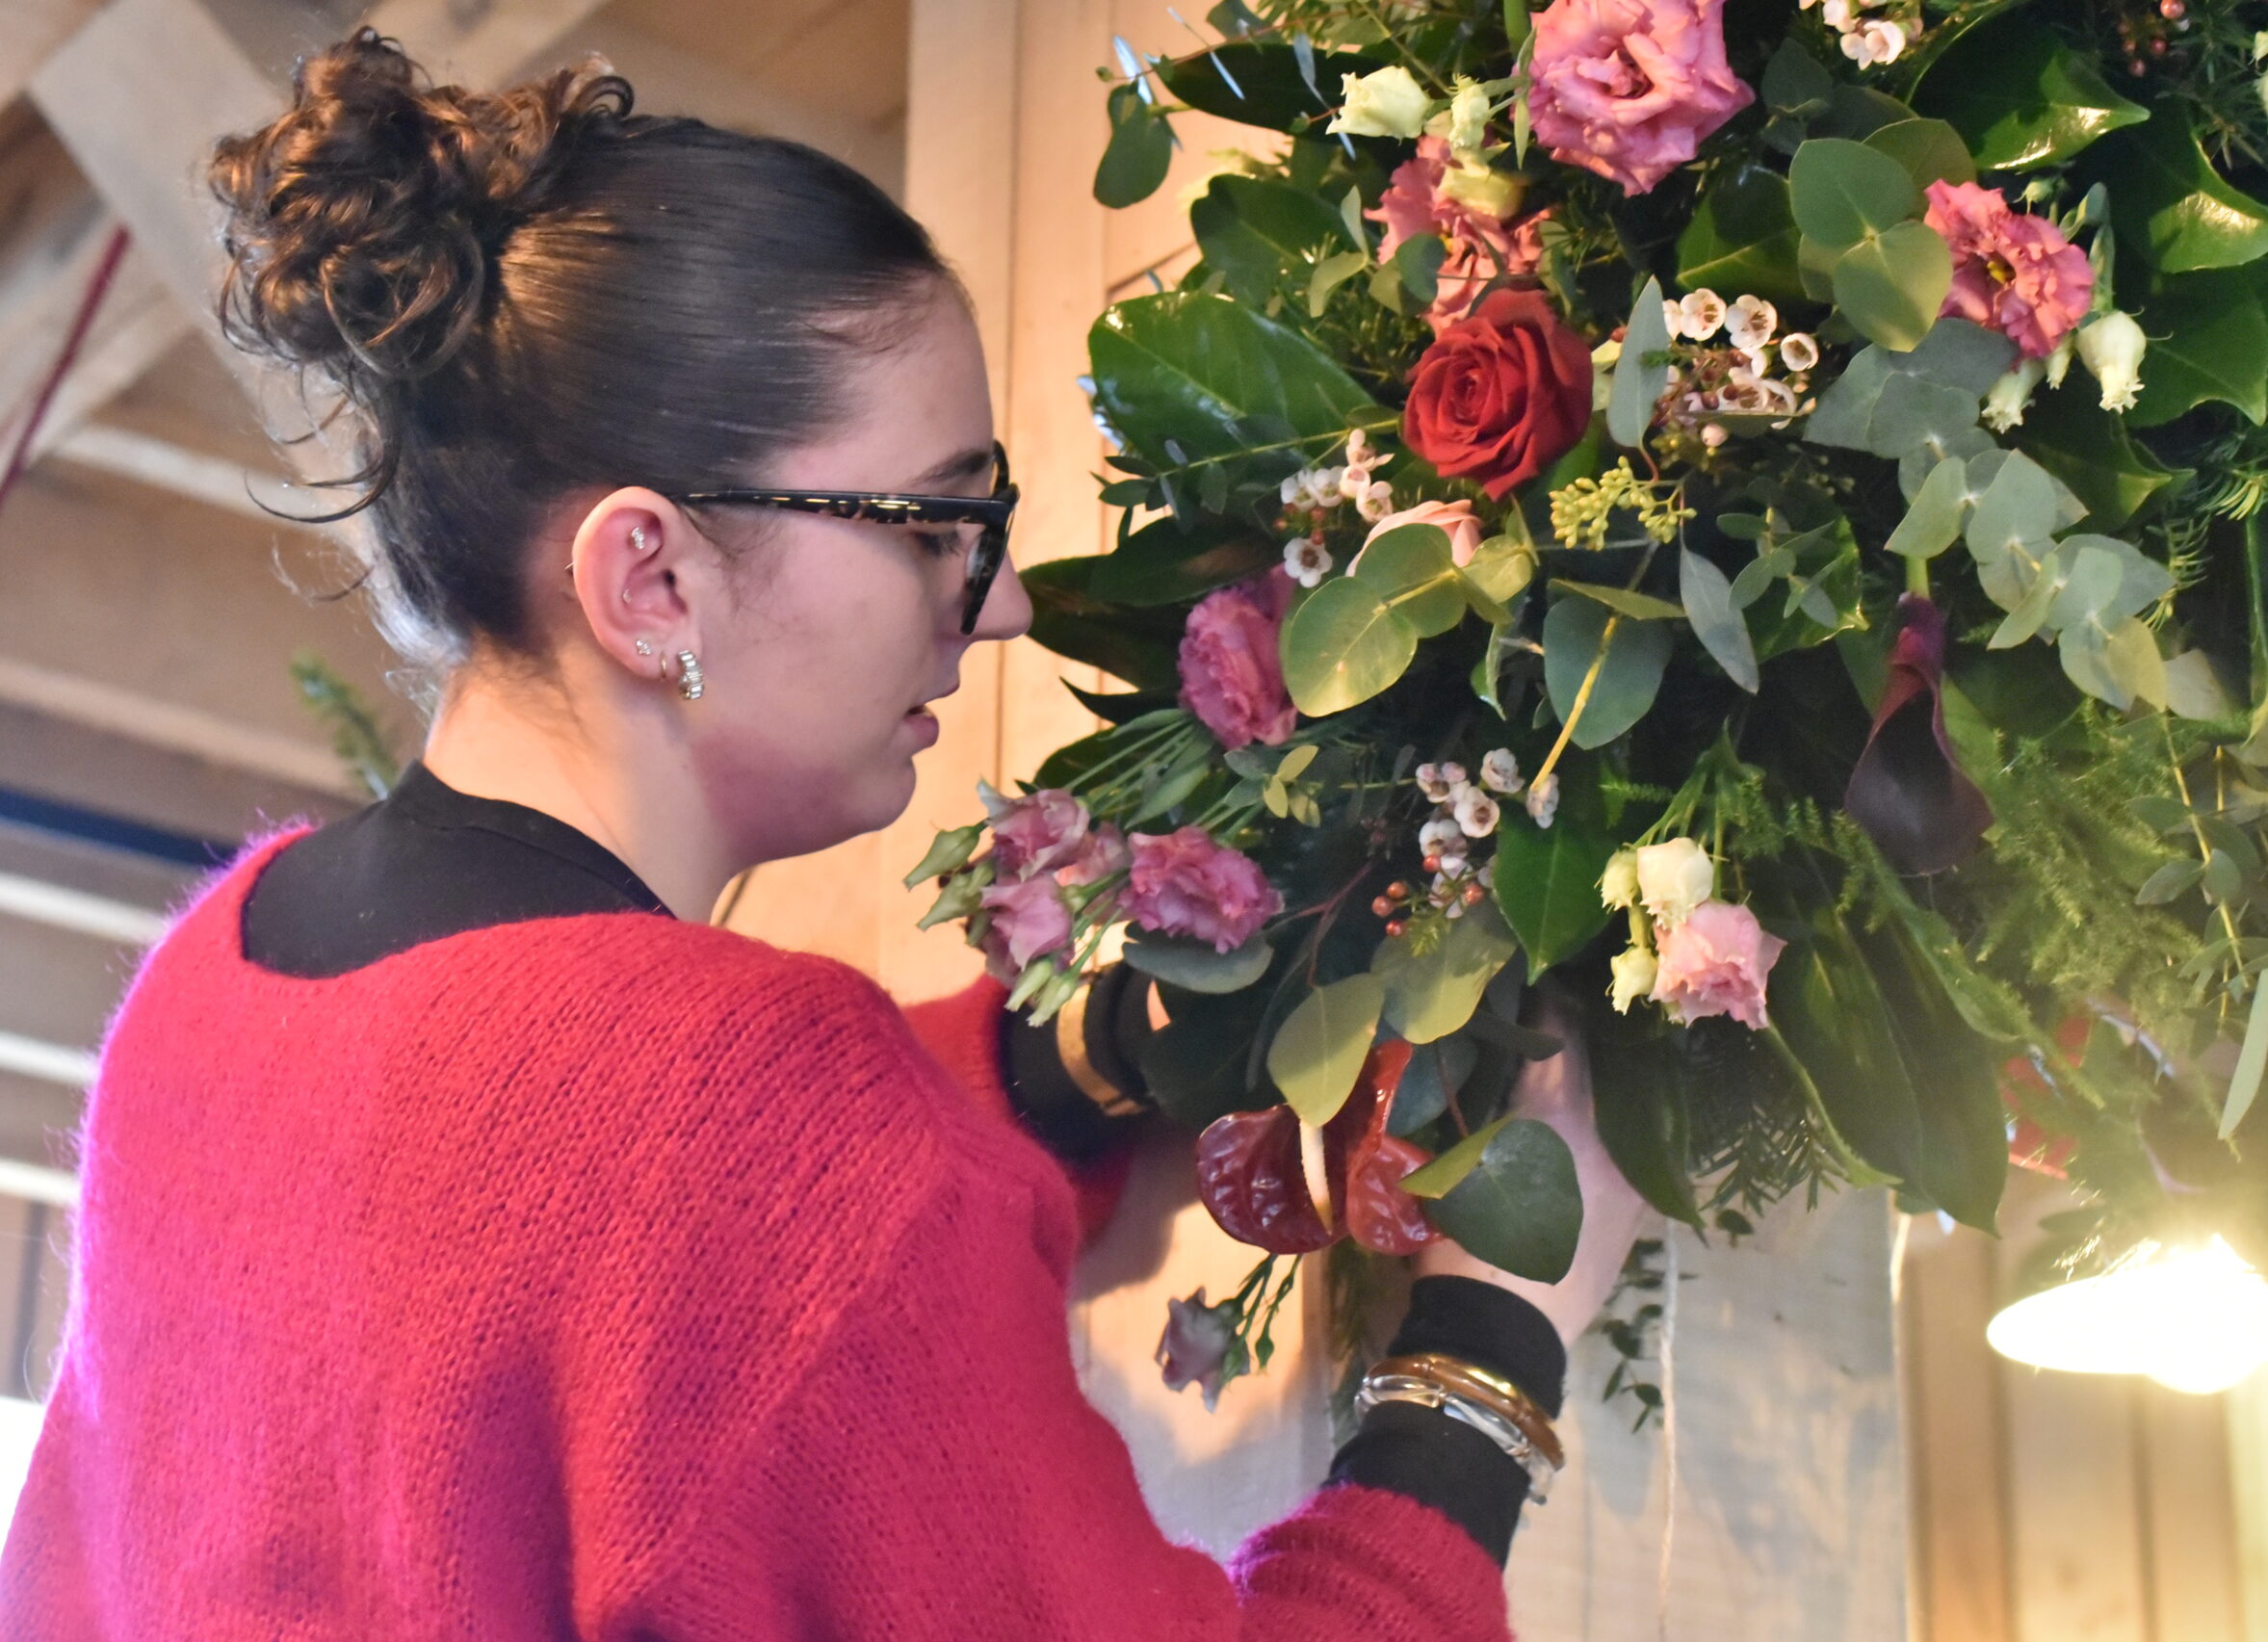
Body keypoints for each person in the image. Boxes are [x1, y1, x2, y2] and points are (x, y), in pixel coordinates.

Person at [0, 29, 1649, 1639]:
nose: (998, 602)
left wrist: (1064, 1059)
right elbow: (724, 1207)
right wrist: (1483, 1358)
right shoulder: (757, 1128)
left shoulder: (210, 988)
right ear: (651, 581)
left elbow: (539, 1217)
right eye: (936, 522)